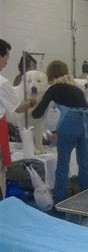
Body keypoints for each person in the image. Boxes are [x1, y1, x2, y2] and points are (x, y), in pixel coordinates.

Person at [32, 60, 88, 203]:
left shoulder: (54, 88)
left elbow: (37, 113)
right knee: (84, 163)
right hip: (85, 121)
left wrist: (30, 104)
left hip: (70, 122)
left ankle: (60, 200)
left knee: (63, 164)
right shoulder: (76, 87)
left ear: (51, 76)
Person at [0, 39, 36, 199]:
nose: (7, 62)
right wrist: (31, 102)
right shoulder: (2, 83)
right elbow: (18, 107)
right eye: (6, 58)